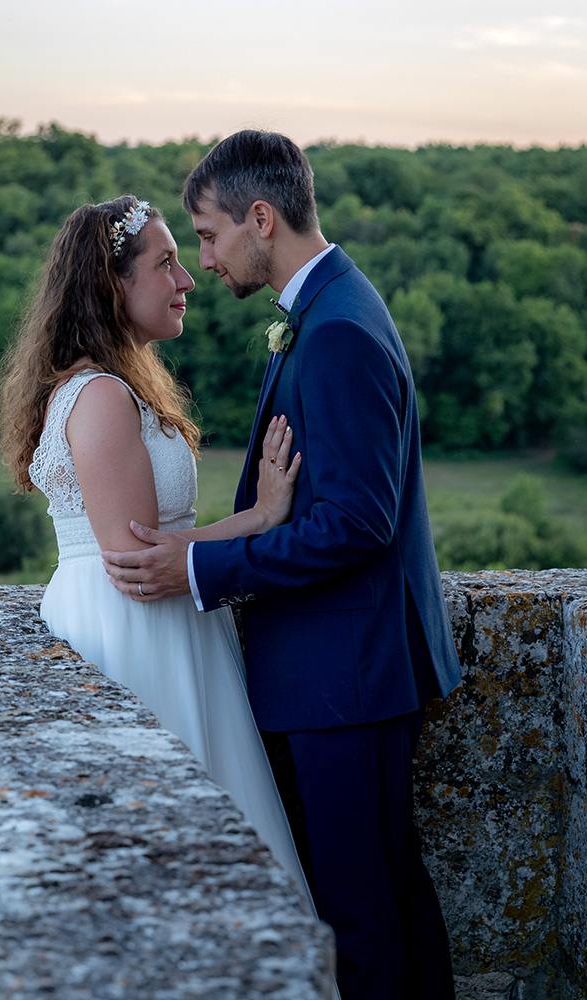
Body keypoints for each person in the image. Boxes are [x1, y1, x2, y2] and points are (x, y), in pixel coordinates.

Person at [101, 132, 464, 1000]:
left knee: (361, 916)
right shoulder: (328, 306)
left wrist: (198, 574)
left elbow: (356, 526)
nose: (205, 259)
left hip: (348, 680)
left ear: (261, 218)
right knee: (383, 898)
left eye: (210, 234)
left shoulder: (335, 330)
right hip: (345, 673)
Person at [0, 194, 317, 917]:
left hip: (169, 626)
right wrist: (260, 517)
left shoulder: (117, 383)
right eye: (165, 263)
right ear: (113, 285)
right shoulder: (102, 396)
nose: (187, 280)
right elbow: (139, 561)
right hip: (138, 632)